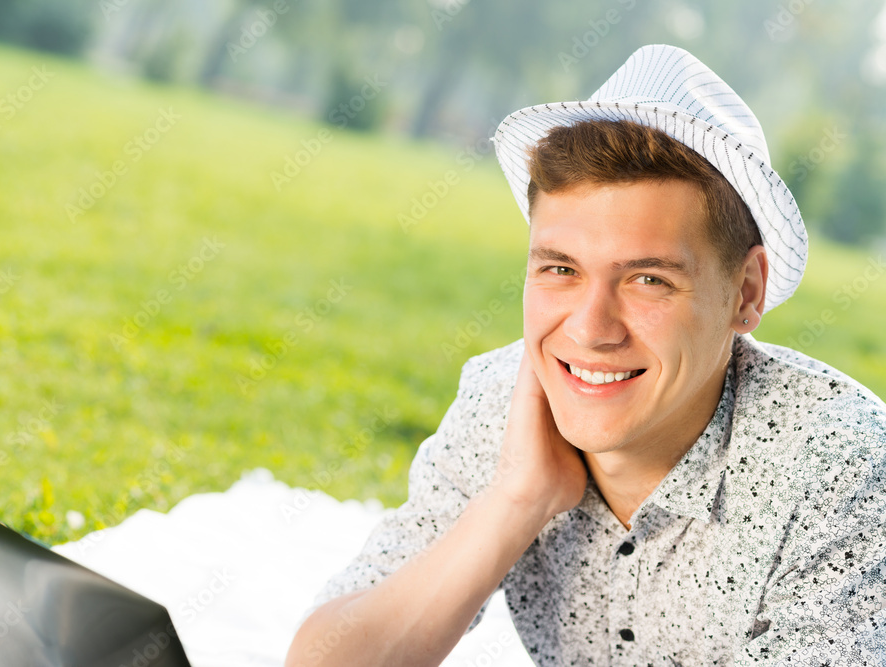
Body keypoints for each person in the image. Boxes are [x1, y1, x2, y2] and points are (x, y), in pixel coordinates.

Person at [285, 44, 886, 666]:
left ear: (746, 292)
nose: (591, 330)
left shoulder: (841, 467)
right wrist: (516, 500)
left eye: (648, 279)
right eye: (561, 269)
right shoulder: (502, 401)